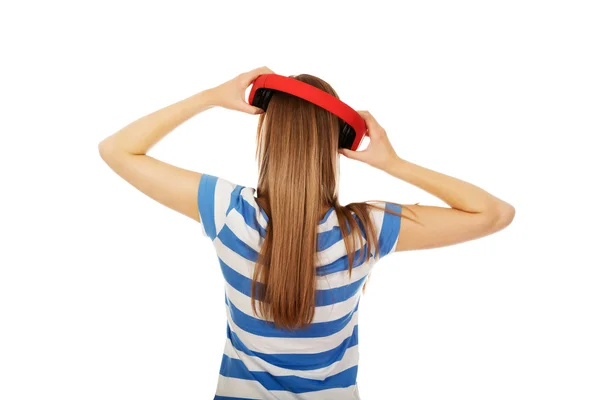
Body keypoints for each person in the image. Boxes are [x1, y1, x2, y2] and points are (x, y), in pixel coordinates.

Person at [99, 66, 515, 399]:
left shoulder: (229, 213)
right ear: (335, 147)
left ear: (266, 136)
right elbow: (494, 214)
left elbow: (116, 150)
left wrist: (211, 96)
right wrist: (392, 162)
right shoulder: (365, 230)